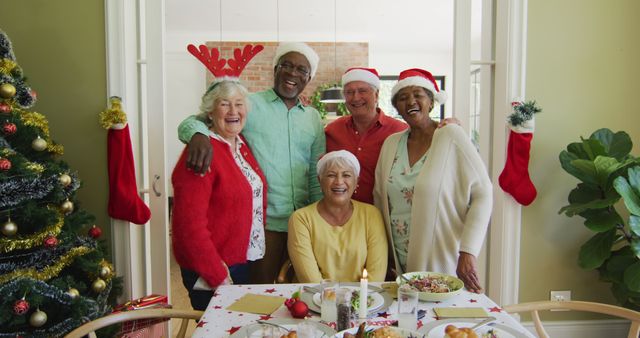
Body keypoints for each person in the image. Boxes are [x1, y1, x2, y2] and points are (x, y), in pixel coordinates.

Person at [178, 42, 326, 283]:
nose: (292, 73)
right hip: (262, 225)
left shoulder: (313, 118)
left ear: (308, 78)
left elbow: (315, 175)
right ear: (275, 69)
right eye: (286, 65)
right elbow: (194, 121)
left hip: (303, 225)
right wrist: (198, 135)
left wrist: (319, 223)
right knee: (260, 297)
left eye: (301, 70)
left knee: (300, 296)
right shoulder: (250, 104)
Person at [373, 68, 492, 293]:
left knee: (441, 321)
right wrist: (385, 254)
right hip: (398, 260)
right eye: (403, 97)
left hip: (442, 257)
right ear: (396, 107)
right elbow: (380, 198)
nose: (411, 101)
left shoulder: (451, 136)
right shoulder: (391, 144)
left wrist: (468, 251)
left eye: (418, 94)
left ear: (431, 101)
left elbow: (483, 192)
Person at [171, 80, 268, 310]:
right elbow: (188, 228)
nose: (233, 111)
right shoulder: (201, 152)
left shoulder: (240, 145)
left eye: (239, 104)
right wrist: (217, 276)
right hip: (214, 268)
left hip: (240, 260)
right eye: (225, 104)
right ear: (210, 113)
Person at [288, 150, 388, 283]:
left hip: (365, 300)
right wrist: (334, 301)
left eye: (346, 175)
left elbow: (376, 275)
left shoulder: (371, 215)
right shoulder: (301, 218)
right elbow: (310, 280)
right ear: (319, 180)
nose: (339, 182)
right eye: (331, 175)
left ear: (356, 181)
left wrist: (357, 301)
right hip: (317, 299)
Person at [325, 67, 408, 204]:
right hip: (340, 215)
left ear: (376, 95)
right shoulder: (332, 131)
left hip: (384, 215)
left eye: (362, 91)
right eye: (349, 92)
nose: (356, 97)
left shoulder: (400, 131)